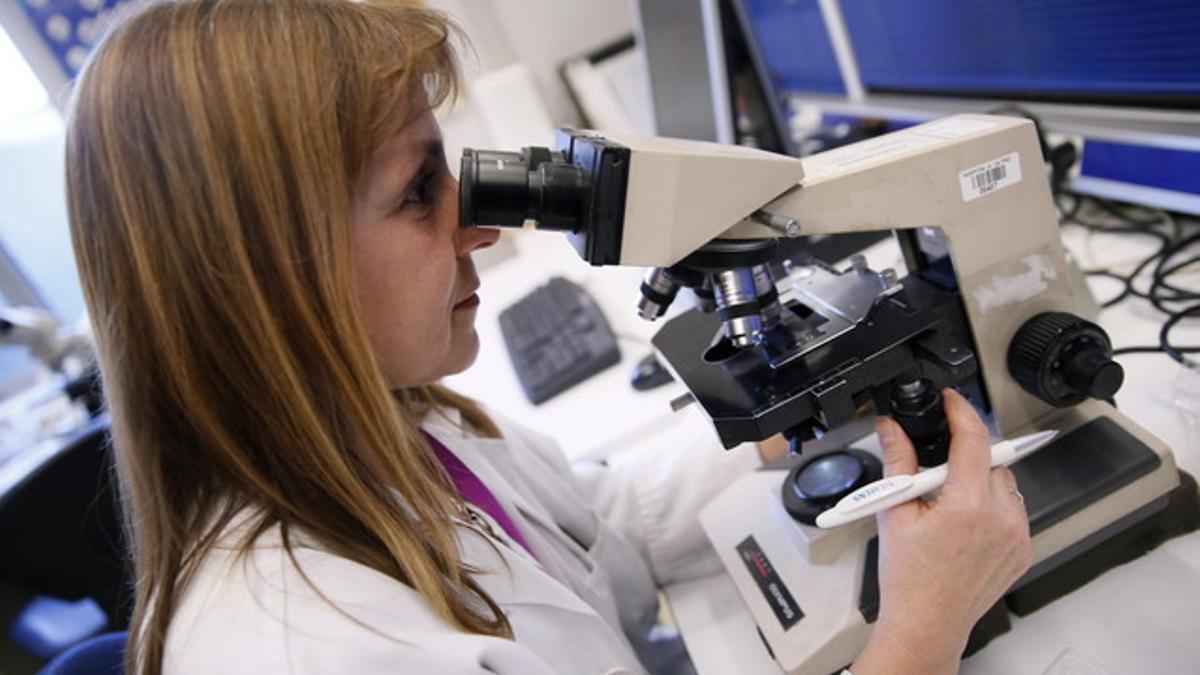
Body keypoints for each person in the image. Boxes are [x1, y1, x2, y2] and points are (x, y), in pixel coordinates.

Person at [64, 1, 1032, 673]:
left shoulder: (405, 432)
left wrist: (820, 403)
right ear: (270, 278)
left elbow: (605, 527)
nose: (480, 226)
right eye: (416, 192)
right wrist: (924, 629)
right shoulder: (316, 651)